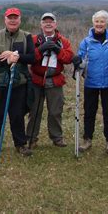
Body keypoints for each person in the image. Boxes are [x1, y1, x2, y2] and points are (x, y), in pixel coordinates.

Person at [0, 7, 35, 157]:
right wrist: (6, 60)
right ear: (5, 19)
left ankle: (21, 144)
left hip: (19, 83)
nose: (13, 20)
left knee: (17, 115)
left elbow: (32, 57)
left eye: (15, 17)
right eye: (10, 17)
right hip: (0, 83)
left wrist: (16, 57)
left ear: (20, 20)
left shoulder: (26, 36)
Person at [73, 10, 108, 153]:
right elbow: (81, 60)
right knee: (89, 112)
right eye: (97, 21)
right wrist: (77, 63)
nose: (99, 24)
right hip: (91, 83)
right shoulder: (86, 42)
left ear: (106, 23)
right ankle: (87, 139)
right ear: (93, 23)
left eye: (102, 21)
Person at [26, 12, 73, 149]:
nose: (48, 23)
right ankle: (31, 138)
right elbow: (29, 58)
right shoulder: (34, 39)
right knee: (35, 111)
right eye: (45, 21)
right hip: (37, 80)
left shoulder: (63, 41)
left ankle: (57, 137)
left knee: (55, 111)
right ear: (41, 24)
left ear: (55, 24)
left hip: (55, 80)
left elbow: (69, 58)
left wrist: (58, 50)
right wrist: (40, 49)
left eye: (51, 21)